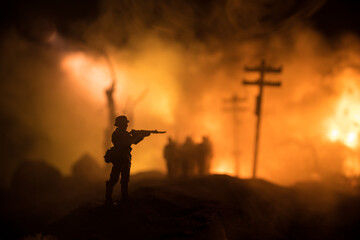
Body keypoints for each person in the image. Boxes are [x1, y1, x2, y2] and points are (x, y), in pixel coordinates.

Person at [105, 115, 150, 205]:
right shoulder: (117, 134)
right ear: (121, 124)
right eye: (125, 123)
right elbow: (128, 142)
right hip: (119, 158)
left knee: (125, 179)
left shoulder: (124, 133)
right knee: (114, 179)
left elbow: (133, 142)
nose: (126, 125)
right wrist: (136, 136)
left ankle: (125, 198)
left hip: (125, 157)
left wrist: (141, 136)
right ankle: (108, 199)